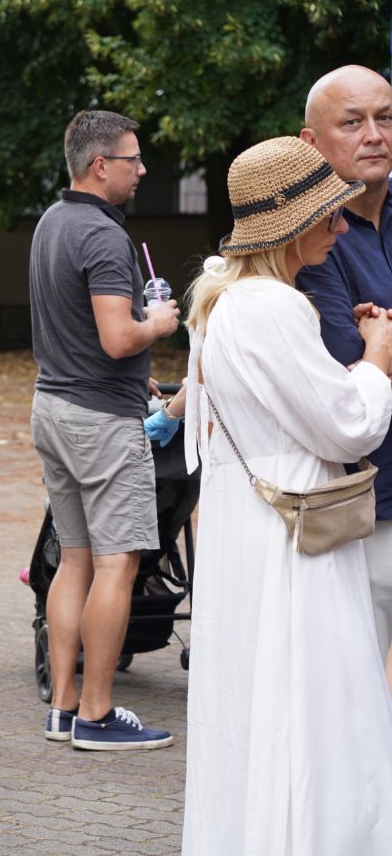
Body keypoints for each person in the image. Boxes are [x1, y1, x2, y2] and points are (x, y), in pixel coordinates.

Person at [181, 135, 392, 854]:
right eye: (329, 216)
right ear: (293, 225)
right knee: (311, 698)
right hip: (296, 524)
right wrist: (376, 360)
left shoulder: (219, 302)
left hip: (250, 514)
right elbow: (345, 426)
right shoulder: (274, 306)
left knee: (254, 693)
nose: (341, 226)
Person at [28, 110, 178, 750]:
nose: (142, 170)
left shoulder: (51, 223)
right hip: (100, 424)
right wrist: (160, 324)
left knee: (76, 561)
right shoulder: (104, 236)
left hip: (53, 408)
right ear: (100, 165)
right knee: (120, 563)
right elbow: (120, 336)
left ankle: (64, 707)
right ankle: (96, 715)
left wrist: (129, 371)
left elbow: (78, 328)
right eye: (133, 159)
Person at [294, 65, 392, 688]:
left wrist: (377, 340)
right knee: (354, 690)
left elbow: (368, 356)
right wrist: (368, 350)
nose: (375, 135)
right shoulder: (306, 242)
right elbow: (338, 364)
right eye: (353, 122)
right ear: (311, 143)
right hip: (360, 507)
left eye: (385, 118)